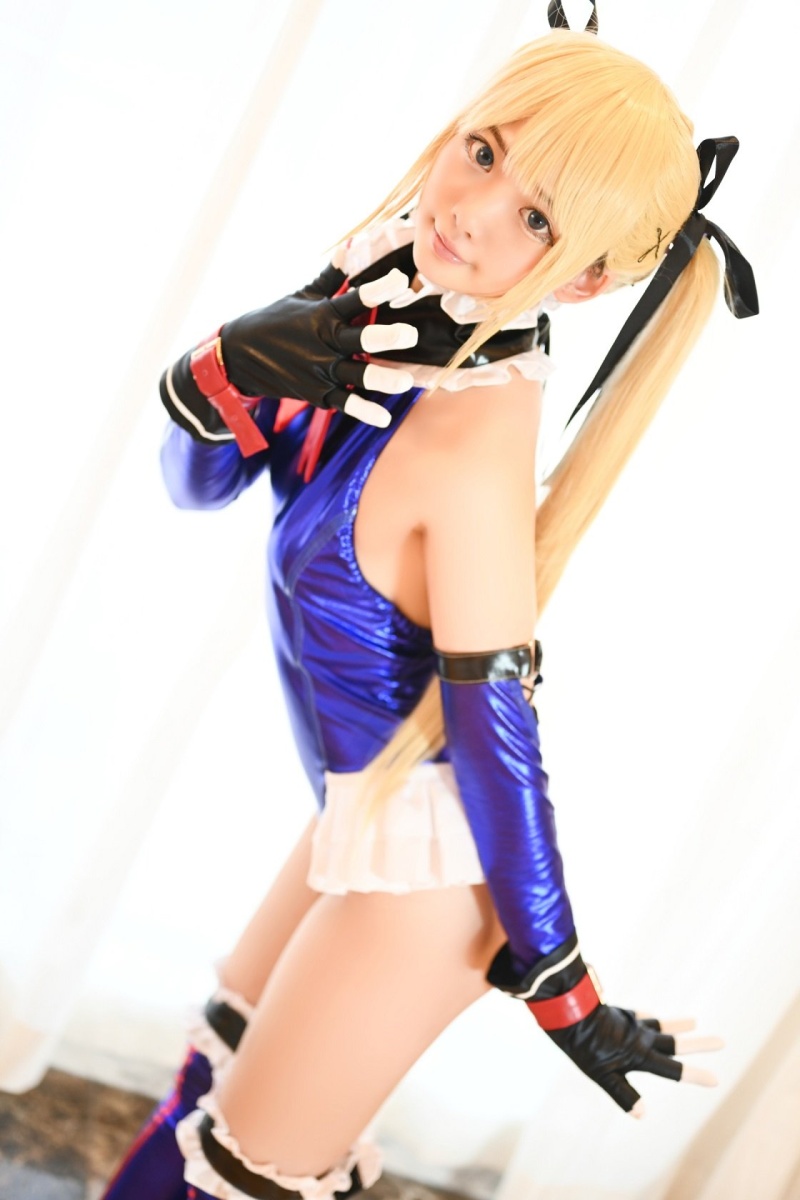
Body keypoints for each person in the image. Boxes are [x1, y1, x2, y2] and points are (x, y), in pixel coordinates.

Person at [102, 16, 757, 1200]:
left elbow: (497, 741)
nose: (473, 209)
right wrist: (220, 366)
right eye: (486, 151)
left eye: (538, 218)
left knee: (232, 1178)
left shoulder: (469, 447)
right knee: (207, 1084)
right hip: (362, 803)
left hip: (422, 882)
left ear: (588, 276)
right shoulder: (378, 311)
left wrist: (561, 987)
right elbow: (197, 487)